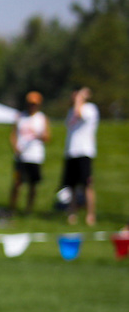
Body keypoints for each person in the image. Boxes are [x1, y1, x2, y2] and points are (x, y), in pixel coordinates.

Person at [59, 86, 98, 226]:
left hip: (84, 151)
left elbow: (79, 113)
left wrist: (80, 99)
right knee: (72, 186)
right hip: (71, 152)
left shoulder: (90, 109)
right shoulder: (71, 111)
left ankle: (90, 215)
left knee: (87, 184)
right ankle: (72, 213)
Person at [8, 91, 50, 215]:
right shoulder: (20, 116)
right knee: (17, 183)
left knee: (33, 185)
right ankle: (12, 209)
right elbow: (13, 134)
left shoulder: (42, 118)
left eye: (35, 104)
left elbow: (48, 137)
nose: (32, 106)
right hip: (21, 157)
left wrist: (39, 135)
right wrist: (15, 148)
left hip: (35, 156)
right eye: (31, 104)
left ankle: (29, 210)